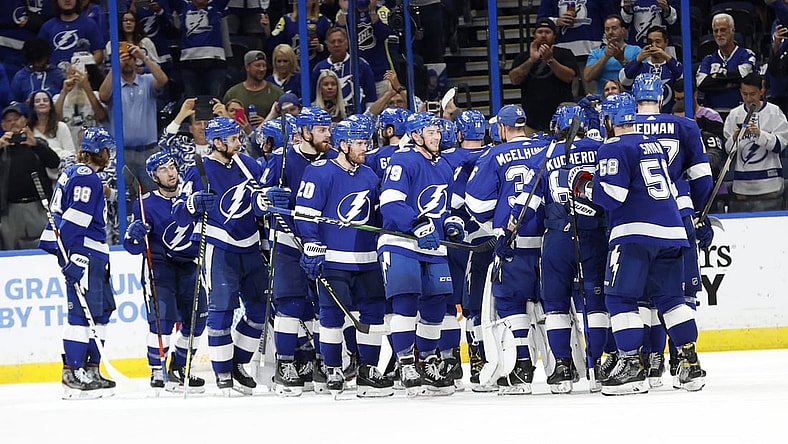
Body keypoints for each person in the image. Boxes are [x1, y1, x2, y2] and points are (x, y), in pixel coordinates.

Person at [581, 92, 706, 395]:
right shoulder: (653, 145)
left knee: (620, 299)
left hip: (635, 232)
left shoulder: (613, 146)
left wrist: (585, 187)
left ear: (609, 120)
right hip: (673, 230)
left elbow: (613, 197)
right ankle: (690, 364)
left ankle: (631, 366)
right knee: (671, 300)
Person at [504, 105, 608, 394]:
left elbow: (526, 203)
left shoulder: (545, 155)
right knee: (596, 303)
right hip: (593, 233)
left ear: (554, 127)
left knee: (556, 304)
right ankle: (598, 363)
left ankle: (562, 366)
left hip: (557, 237)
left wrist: (507, 234)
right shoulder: (601, 149)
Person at [294, 115, 394, 397]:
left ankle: (367, 371)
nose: (365, 148)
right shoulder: (320, 172)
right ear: (343, 144)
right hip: (334, 258)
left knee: (373, 314)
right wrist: (312, 245)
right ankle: (333, 368)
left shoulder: (370, 175)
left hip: (367, 259)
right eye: (360, 143)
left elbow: (378, 216)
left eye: (366, 142)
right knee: (331, 315)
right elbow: (305, 215)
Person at [173, 116, 270, 394]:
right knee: (221, 310)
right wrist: (192, 203)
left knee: (259, 310)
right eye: (233, 139)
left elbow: (260, 200)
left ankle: (238, 363)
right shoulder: (198, 170)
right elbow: (178, 214)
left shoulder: (248, 165)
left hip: (250, 247)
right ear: (217, 142)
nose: (239, 143)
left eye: (239, 138)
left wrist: (265, 201)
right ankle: (223, 372)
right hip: (219, 248)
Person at [632, 73, 713, 388]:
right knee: (681, 290)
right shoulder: (685, 126)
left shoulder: (623, 126)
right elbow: (703, 179)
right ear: (663, 96)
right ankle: (684, 356)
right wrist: (701, 215)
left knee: (640, 294)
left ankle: (651, 359)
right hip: (678, 212)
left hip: (639, 215)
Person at [376, 111, 460, 396]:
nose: (436, 136)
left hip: (433, 244)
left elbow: (445, 207)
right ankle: (406, 362)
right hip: (401, 242)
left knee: (436, 304)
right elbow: (390, 202)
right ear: (415, 136)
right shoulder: (403, 160)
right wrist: (417, 223)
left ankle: (426, 361)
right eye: (431, 132)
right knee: (406, 302)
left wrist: (451, 223)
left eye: (438, 131)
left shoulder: (443, 165)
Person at [466, 105, 548, 394]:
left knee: (511, 303)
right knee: (556, 305)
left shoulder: (493, 155)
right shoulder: (546, 147)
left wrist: (495, 224)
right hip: (549, 240)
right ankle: (567, 366)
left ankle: (523, 367)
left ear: (501, 128)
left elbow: (477, 204)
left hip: (514, 240)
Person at [261, 106, 336, 396]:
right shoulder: (281, 159)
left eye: (329, 129)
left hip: (321, 243)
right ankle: (285, 364)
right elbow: (258, 202)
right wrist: (268, 199)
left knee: (322, 307)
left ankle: (320, 362)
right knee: (290, 304)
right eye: (321, 130)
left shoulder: (332, 159)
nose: (327, 135)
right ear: (304, 132)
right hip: (288, 242)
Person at [39, 127, 116, 400]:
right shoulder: (86, 177)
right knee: (81, 315)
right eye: (107, 149)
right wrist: (71, 257)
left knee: (101, 312)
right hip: (85, 253)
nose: (110, 154)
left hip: (96, 254)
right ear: (98, 151)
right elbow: (74, 219)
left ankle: (91, 369)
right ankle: (72, 372)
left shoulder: (82, 175)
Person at [122, 151, 206, 393]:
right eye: (163, 170)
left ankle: (179, 366)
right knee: (163, 321)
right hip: (159, 269)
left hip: (190, 265)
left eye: (172, 167)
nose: (170, 173)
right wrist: (134, 235)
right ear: (154, 177)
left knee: (197, 319)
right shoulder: (144, 203)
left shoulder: (192, 199)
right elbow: (132, 247)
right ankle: (157, 369)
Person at [439, 109, 492, 390]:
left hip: (452, 240)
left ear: (458, 133)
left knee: (449, 304)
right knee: (479, 305)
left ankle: (449, 360)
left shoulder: (445, 159)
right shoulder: (495, 153)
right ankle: (479, 358)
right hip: (486, 238)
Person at [99, 41, 168, 192]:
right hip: (123, 153)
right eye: (123, 58)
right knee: (126, 200)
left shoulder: (147, 81)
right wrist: (115, 66)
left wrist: (143, 57)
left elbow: (163, 80)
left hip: (148, 151)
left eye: (130, 57)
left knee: (153, 196)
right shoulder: (113, 84)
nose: (127, 61)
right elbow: (103, 96)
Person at [0, 102, 61, 250]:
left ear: (25, 121)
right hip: (9, 210)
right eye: (9, 120)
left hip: (38, 207)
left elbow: (54, 162)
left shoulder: (38, 143)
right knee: (10, 250)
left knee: (43, 249)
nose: (13, 122)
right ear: (3, 126)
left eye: (16, 118)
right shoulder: (1, 149)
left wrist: (36, 144)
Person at [723, 72, 788, 209]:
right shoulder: (734, 114)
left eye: (752, 94)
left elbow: (780, 145)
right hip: (743, 187)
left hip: (770, 185)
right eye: (744, 94)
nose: (748, 98)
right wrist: (735, 138)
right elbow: (729, 151)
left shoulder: (775, 112)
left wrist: (760, 134)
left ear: (761, 91)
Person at [508, 18, 578, 134]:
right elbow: (514, 79)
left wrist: (550, 60)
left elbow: (569, 77)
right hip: (531, 123)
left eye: (547, 32)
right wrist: (531, 60)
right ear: (534, 34)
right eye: (540, 32)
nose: (543, 35)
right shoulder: (524, 57)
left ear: (554, 35)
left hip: (561, 123)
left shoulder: (565, 53)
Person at [538, 0, 614, 95]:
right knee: (568, 94)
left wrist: (605, 41)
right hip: (564, 51)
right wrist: (556, 21)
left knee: (594, 94)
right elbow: (541, 19)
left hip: (591, 49)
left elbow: (608, 16)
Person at [696, 13, 758, 114]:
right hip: (713, 116)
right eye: (716, 31)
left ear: (732, 30)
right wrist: (730, 84)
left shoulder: (746, 55)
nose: (719, 34)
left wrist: (716, 78)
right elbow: (702, 84)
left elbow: (745, 76)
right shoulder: (708, 59)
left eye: (723, 30)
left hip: (740, 113)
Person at [335, 0, 397, 97]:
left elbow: (383, 35)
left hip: (381, 73)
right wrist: (344, 11)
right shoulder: (344, 12)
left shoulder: (383, 11)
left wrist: (372, 12)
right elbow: (338, 37)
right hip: (356, 75)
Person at [310, 27, 377, 113]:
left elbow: (371, 96)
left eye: (340, 41)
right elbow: (313, 97)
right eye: (333, 42)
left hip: (357, 119)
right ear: (327, 45)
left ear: (347, 43)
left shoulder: (360, 65)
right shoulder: (319, 68)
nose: (336, 45)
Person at [171, 0, 229, 99]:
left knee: (215, 102)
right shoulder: (183, 6)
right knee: (192, 104)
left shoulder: (216, 5)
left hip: (215, 62)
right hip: (189, 63)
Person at [620, 26, 683, 113]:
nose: (654, 45)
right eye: (650, 42)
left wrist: (665, 56)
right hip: (644, 117)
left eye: (658, 42)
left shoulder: (672, 66)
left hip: (669, 116)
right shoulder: (641, 66)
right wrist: (638, 59)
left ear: (666, 42)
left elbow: (683, 80)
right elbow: (624, 81)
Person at [223, 50, 284, 131]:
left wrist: (266, 123)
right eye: (258, 65)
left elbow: (285, 120)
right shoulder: (233, 93)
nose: (262, 69)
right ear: (247, 67)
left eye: (264, 65)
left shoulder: (277, 92)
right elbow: (224, 119)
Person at [38, 0, 104, 72]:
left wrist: (84, 69)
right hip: (54, 79)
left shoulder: (89, 24)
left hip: (82, 78)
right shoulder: (47, 27)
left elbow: (98, 53)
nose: (67, 0)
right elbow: (40, 57)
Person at [584, 15, 641, 95]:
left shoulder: (635, 50)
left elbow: (641, 75)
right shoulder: (596, 53)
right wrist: (606, 56)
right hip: (603, 99)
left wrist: (622, 59)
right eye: (607, 29)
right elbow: (587, 77)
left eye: (614, 28)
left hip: (629, 98)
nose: (610, 32)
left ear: (623, 30)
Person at [266, 0, 331, 71]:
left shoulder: (324, 21)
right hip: (291, 70)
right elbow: (272, 45)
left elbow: (333, 46)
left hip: (316, 68)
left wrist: (320, 47)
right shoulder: (286, 20)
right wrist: (267, 29)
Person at [54, 64, 108, 148]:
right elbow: (53, 121)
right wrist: (64, 92)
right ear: (66, 77)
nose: (76, 77)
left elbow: (102, 117)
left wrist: (86, 87)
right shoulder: (58, 98)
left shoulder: (95, 95)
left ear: (86, 76)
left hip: (93, 150)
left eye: (80, 74)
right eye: (72, 73)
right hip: (68, 149)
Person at [27, 89, 74, 179]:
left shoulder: (61, 126)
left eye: (45, 100)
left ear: (51, 106)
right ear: (33, 106)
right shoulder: (28, 129)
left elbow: (71, 155)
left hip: (61, 177)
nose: (41, 103)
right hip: (39, 177)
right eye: (37, 101)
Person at [9, 38, 64, 103]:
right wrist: (25, 106)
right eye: (34, 61)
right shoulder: (20, 76)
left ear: (46, 57)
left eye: (40, 60)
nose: (38, 64)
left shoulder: (58, 75)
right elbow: (13, 102)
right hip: (27, 112)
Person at [366, 106, 411, 179]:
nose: (379, 133)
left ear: (389, 131)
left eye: (382, 128)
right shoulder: (420, 154)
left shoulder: (371, 157)